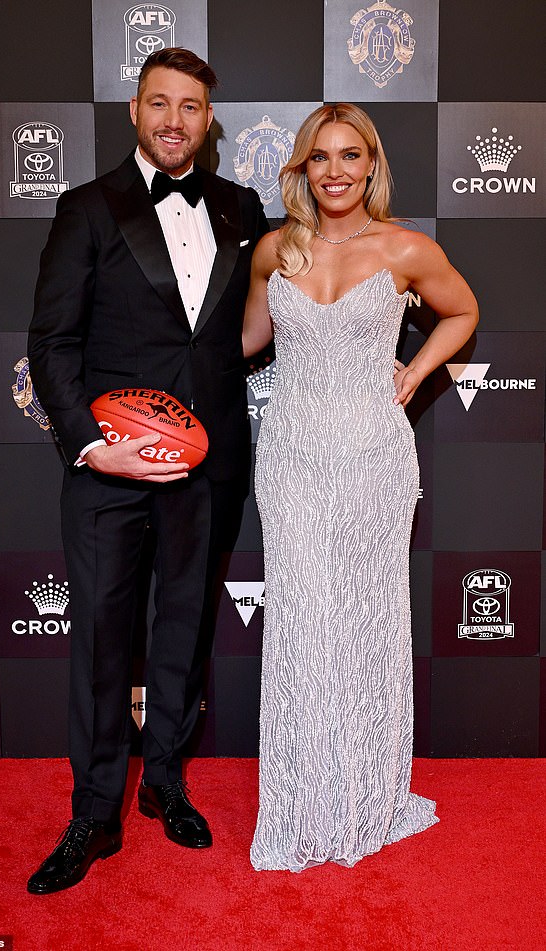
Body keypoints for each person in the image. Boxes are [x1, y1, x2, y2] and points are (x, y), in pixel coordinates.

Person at [26, 47, 268, 894]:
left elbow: (260, 324)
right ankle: (94, 810)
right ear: (135, 111)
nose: (174, 120)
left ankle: (166, 779)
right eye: (159, 103)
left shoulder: (243, 209)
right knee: (99, 636)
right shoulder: (87, 207)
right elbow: (51, 342)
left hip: (208, 465)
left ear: (209, 120)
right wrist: (95, 441)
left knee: (185, 628)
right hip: (109, 466)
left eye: (191, 107)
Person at [242, 103, 478, 871]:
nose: (336, 170)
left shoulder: (406, 246)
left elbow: (463, 309)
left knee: (366, 620)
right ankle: (307, 799)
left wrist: (416, 368)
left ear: (371, 165)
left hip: (374, 456)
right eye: (321, 157)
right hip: (292, 456)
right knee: (304, 626)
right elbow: (243, 340)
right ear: (302, 167)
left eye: (351, 155)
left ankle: (367, 792)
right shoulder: (274, 249)